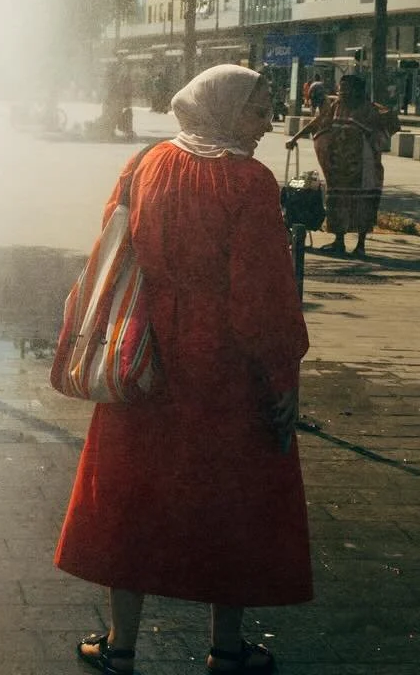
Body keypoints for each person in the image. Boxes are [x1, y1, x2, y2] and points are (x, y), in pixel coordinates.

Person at [57, 65, 310, 675]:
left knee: (132, 494)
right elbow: (262, 294)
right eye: (258, 110)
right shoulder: (248, 181)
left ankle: (120, 646)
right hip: (223, 364)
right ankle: (226, 649)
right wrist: (282, 374)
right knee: (231, 497)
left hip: (143, 350)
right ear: (224, 110)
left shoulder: (144, 163)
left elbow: (112, 244)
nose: (268, 123)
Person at [286, 73, 400, 259]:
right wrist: (295, 138)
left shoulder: (369, 110)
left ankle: (360, 245)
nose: (341, 92)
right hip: (339, 167)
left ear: (357, 90)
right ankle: (339, 241)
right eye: (341, 89)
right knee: (337, 201)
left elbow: (384, 131)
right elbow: (319, 121)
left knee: (363, 203)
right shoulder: (337, 106)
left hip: (364, 168)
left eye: (346, 89)